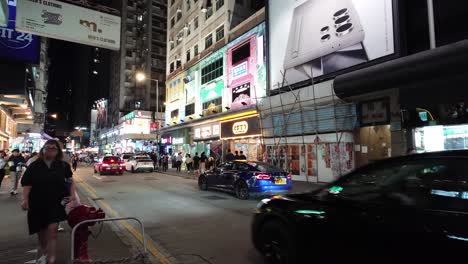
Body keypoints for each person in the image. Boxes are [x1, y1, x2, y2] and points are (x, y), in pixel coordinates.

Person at [21, 140, 76, 264]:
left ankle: (51, 258)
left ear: (58, 151)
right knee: (41, 232)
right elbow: (26, 184)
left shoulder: (63, 166)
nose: (50, 149)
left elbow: (70, 181)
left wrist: (72, 195)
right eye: (48, 147)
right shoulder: (34, 165)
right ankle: (45, 252)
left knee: (52, 231)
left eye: (53, 148)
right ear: (43, 149)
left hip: (56, 203)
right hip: (37, 203)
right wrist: (25, 199)